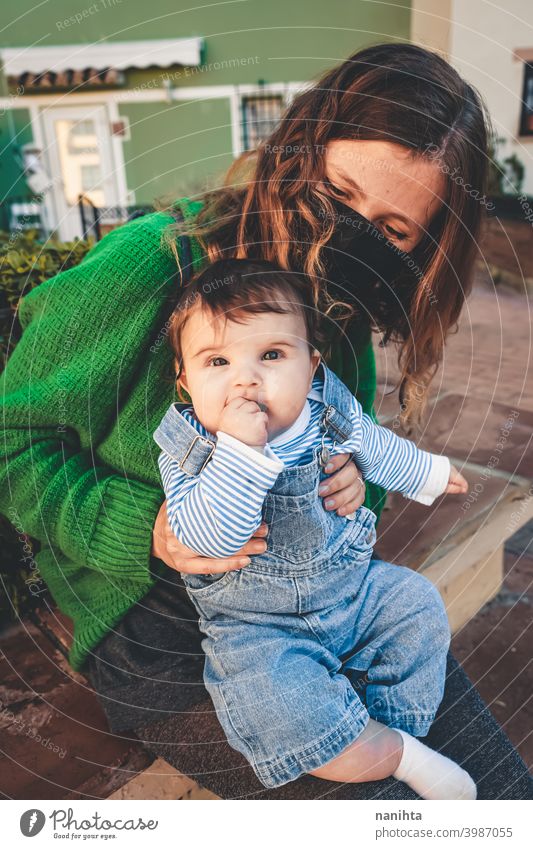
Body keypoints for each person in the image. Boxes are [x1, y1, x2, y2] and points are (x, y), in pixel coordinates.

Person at [0, 42, 530, 798]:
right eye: (338, 191)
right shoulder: (154, 266)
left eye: (391, 229)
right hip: (155, 625)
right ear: (299, 152)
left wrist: (356, 486)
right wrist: (146, 527)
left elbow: (349, 457)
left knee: (503, 789)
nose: (349, 233)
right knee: (377, 808)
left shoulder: (337, 313)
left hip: (327, 598)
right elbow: (13, 439)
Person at [155, 256, 475, 798]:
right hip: (257, 626)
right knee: (272, 699)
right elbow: (213, 539)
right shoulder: (189, 449)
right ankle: (393, 752)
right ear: (185, 382)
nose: (245, 379)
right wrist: (240, 451)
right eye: (217, 363)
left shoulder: (326, 407)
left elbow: (371, 446)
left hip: (351, 593)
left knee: (417, 604)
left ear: (311, 365)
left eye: (272, 355)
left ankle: (392, 720)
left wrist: (428, 471)